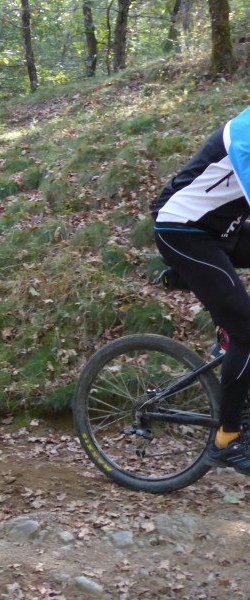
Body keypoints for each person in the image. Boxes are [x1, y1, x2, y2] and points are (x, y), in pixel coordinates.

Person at [152, 105, 250, 473]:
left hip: (221, 229)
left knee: (240, 325)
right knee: (247, 332)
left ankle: (226, 333)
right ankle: (226, 439)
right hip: (184, 230)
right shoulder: (245, 133)